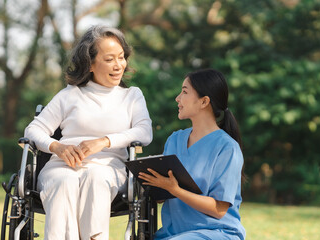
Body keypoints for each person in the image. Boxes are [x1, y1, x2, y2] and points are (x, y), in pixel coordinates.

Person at [24, 25, 153, 240]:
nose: (118, 65)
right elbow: (33, 130)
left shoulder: (132, 96)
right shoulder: (70, 95)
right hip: (62, 166)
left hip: (108, 169)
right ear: (90, 64)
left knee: (96, 177)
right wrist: (57, 147)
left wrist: (104, 142)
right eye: (109, 59)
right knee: (62, 181)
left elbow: (144, 132)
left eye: (121, 57)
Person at [138, 69, 246, 240]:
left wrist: (175, 189)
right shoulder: (175, 140)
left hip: (214, 233)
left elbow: (219, 209)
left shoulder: (227, 148)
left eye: (184, 91)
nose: (178, 98)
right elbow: (162, 197)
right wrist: (154, 183)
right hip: (171, 234)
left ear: (204, 102)